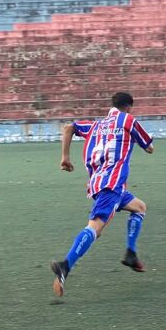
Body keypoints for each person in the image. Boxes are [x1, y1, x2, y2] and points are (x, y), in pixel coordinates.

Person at [50, 92, 154, 297]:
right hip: (112, 184)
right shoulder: (128, 120)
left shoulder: (96, 125)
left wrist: (65, 157)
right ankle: (65, 265)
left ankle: (131, 253)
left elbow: (68, 127)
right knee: (95, 228)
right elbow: (150, 148)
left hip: (100, 183)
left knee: (139, 207)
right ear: (129, 107)